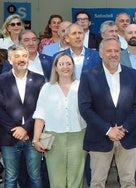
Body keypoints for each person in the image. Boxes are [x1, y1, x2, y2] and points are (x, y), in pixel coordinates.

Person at [78, 37, 136, 188]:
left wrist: (124, 128)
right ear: (101, 53)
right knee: (97, 182)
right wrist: (108, 130)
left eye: (116, 51)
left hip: (127, 136)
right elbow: (85, 108)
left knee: (128, 182)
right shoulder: (89, 76)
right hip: (100, 137)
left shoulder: (132, 75)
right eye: (109, 51)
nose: (113, 54)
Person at [32, 52, 86, 188]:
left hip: (78, 136)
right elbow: (40, 115)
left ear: (73, 66)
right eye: (61, 64)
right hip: (54, 138)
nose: (65, 67)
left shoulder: (82, 86)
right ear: (55, 67)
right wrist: (36, 139)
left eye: (69, 63)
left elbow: (89, 113)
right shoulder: (47, 88)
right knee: (57, 181)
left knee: (76, 179)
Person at [0, 44, 45, 187]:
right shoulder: (1, 80)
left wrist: (25, 128)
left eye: (24, 56)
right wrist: (16, 130)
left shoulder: (39, 80)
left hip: (33, 136)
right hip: (8, 137)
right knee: (11, 177)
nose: (21, 59)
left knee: (35, 176)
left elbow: (42, 108)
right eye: (17, 56)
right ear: (9, 59)